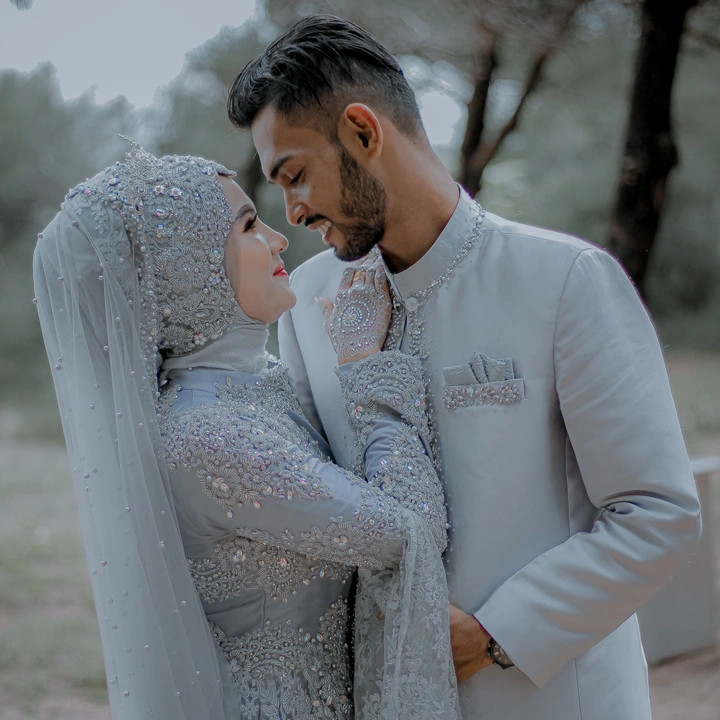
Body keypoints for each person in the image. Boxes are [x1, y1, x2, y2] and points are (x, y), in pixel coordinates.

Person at [227, 14, 703, 720]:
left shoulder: (563, 280)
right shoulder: (308, 304)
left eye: (295, 175)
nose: (291, 212)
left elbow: (657, 515)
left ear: (363, 132)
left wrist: (495, 636)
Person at [33, 138, 461, 719]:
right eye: (249, 225)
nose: (279, 238)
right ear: (189, 270)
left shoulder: (258, 384)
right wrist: (370, 369)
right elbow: (412, 533)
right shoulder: (207, 437)